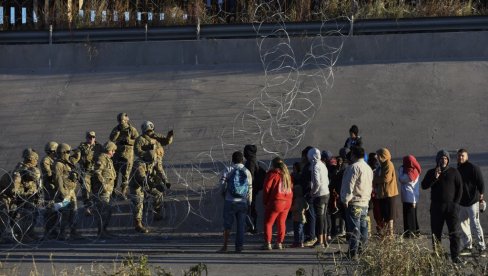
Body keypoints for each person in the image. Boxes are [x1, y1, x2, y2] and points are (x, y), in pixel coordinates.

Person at [421, 150, 463, 263]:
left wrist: (455, 204)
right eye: (441, 158)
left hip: (451, 208)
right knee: (436, 233)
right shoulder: (431, 172)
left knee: (454, 233)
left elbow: (460, 188)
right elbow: (424, 186)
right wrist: (434, 177)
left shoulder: (454, 172)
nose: (443, 160)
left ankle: (455, 256)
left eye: (445, 158)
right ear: (437, 160)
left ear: (448, 160)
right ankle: (438, 256)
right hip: (436, 208)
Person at [341, 146, 373, 258]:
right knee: (363, 227)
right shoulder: (368, 168)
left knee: (354, 228)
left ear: (353, 154)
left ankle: (353, 252)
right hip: (365, 202)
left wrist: (345, 199)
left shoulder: (353, 168)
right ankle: (363, 250)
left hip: (354, 202)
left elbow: (349, 185)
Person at [217, 151, 252, 253]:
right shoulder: (247, 171)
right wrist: (249, 202)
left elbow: (222, 184)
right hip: (242, 202)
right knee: (241, 225)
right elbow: (250, 188)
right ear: (242, 160)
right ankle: (239, 247)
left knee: (227, 225)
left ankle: (225, 246)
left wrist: (223, 194)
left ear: (232, 160)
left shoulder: (228, 169)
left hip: (230, 201)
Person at [457, 149, 486, 255]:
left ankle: (482, 248)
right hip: (462, 203)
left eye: (462, 156)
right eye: (459, 156)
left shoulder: (473, 168)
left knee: (475, 225)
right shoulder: (458, 169)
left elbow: (481, 183)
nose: (460, 157)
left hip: (473, 202)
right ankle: (468, 246)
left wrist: (481, 197)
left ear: (467, 157)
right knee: (463, 225)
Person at [129, 150, 165, 233]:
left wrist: (164, 182)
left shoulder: (152, 161)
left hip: (148, 184)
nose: (152, 162)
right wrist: (155, 185)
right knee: (138, 203)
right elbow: (142, 178)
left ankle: (157, 212)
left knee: (158, 194)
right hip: (136, 185)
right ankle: (138, 224)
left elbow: (158, 171)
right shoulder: (138, 164)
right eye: (151, 161)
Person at [262, 157, 293, 250]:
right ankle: (279, 242)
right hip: (287, 201)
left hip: (276, 201)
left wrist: (265, 201)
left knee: (268, 223)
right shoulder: (287, 175)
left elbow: (267, 188)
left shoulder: (272, 174)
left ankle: (268, 242)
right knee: (281, 222)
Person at [134, 120, 173, 194]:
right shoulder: (140, 139)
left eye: (151, 130)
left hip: (158, 160)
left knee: (159, 174)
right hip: (147, 162)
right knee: (149, 178)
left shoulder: (156, 136)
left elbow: (166, 141)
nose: (150, 133)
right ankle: (149, 193)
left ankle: (161, 188)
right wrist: (147, 152)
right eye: (148, 131)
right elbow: (137, 151)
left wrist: (170, 136)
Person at [12, 148, 42, 242]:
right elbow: (31, 176)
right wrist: (32, 171)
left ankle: (30, 233)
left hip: (32, 195)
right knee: (26, 216)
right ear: (31, 158)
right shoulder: (22, 168)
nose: (36, 161)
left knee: (33, 215)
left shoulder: (28, 167)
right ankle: (23, 235)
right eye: (35, 159)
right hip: (24, 196)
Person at [53, 143, 81, 240]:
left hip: (71, 192)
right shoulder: (58, 164)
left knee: (74, 211)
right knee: (65, 213)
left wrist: (75, 151)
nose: (69, 154)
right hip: (65, 192)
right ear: (63, 153)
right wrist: (62, 192)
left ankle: (73, 232)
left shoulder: (67, 161)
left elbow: (76, 157)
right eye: (68, 152)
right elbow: (58, 179)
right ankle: (62, 233)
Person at [109, 112, 139, 199]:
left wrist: (128, 141)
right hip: (117, 154)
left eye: (122, 120)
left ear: (126, 120)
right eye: (120, 120)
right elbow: (111, 138)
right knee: (115, 174)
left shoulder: (132, 129)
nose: (121, 122)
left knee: (126, 175)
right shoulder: (116, 129)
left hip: (128, 155)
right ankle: (113, 191)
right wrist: (117, 133)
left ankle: (123, 191)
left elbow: (137, 141)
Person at [91, 142, 117, 238]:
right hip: (102, 190)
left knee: (107, 210)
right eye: (113, 150)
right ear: (109, 150)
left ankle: (104, 230)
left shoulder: (108, 159)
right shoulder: (102, 158)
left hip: (108, 190)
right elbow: (97, 172)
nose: (114, 152)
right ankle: (101, 231)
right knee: (103, 211)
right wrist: (104, 185)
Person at [74, 131, 103, 215]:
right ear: (86, 138)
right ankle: (87, 207)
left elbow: (103, 157)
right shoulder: (82, 147)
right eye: (89, 137)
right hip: (86, 171)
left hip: (95, 172)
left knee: (96, 190)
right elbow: (77, 157)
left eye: (93, 137)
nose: (91, 139)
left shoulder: (99, 147)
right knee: (86, 191)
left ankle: (94, 206)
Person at [373, 148, 398, 237]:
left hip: (389, 194)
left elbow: (386, 178)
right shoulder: (381, 165)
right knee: (384, 215)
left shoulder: (389, 164)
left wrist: (375, 180)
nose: (377, 157)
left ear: (383, 156)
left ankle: (390, 235)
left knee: (389, 216)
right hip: (382, 195)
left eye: (378, 155)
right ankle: (387, 234)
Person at [307, 148, 330, 248]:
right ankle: (325, 240)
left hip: (319, 195)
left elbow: (317, 183)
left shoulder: (316, 166)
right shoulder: (322, 165)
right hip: (326, 193)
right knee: (324, 217)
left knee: (319, 218)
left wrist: (312, 192)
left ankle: (319, 240)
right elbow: (326, 180)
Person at [243, 144, 266, 234]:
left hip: (251, 189)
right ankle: (252, 226)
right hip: (253, 188)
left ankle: (252, 227)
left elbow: (250, 177)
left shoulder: (250, 162)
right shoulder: (253, 160)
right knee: (251, 207)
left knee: (250, 207)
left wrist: (249, 188)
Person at [398, 155, 422, 238]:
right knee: (413, 216)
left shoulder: (410, 174)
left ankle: (410, 233)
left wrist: (400, 171)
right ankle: (416, 231)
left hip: (409, 197)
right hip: (412, 197)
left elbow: (401, 179)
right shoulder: (415, 170)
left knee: (409, 216)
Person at [40, 141, 59, 239]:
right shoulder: (46, 160)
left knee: (56, 210)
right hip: (49, 189)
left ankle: (54, 230)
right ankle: (48, 231)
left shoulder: (55, 159)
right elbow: (49, 174)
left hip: (56, 187)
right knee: (50, 210)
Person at [368, 152, 383, 234]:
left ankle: (379, 228)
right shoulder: (369, 168)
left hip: (376, 193)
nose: (375, 161)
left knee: (377, 212)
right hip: (371, 192)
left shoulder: (379, 168)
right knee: (372, 211)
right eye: (373, 159)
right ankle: (369, 229)